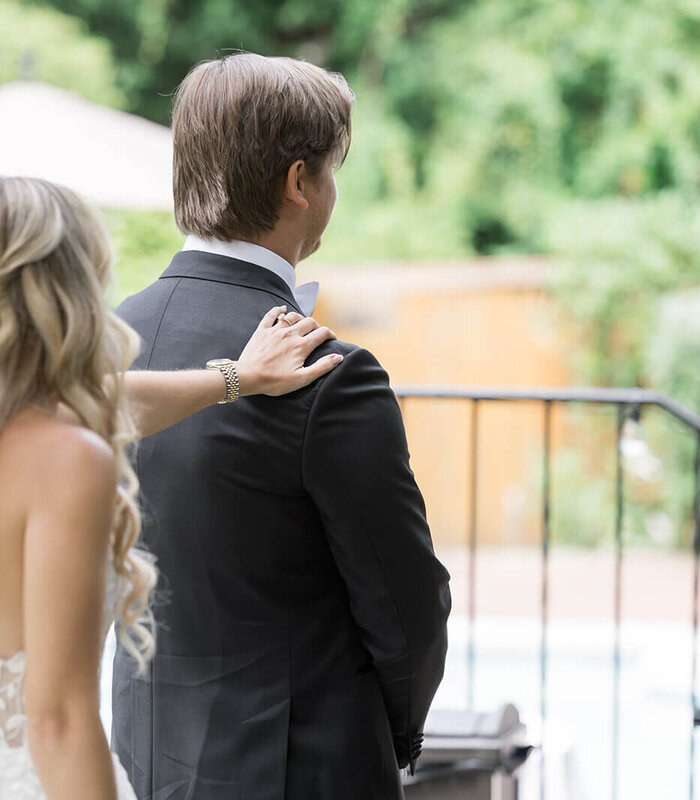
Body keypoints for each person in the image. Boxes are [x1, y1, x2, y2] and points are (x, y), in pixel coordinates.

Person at [0, 175, 342, 800]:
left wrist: (236, 378)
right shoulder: (68, 460)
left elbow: (107, 399)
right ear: (67, 290)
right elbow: (59, 721)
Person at [113, 53, 453, 799]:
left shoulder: (101, 344)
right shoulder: (329, 372)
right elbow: (406, 603)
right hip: (302, 766)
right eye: (332, 172)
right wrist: (397, 734)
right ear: (299, 183)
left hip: (142, 752)